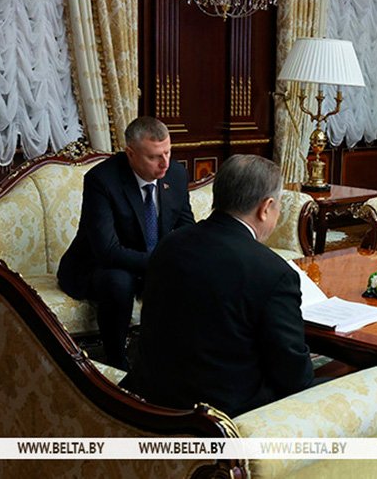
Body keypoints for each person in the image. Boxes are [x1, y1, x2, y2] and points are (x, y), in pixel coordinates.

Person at [121, 155, 315, 418]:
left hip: (152, 398)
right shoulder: (273, 272)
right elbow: (294, 377)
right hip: (221, 416)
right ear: (266, 207)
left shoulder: (169, 245)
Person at [58, 117, 194, 369]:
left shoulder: (175, 174)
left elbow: (186, 229)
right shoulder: (102, 180)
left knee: (190, 274)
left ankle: (172, 361)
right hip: (99, 266)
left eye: (168, 152)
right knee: (119, 281)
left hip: (148, 264)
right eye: (154, 157)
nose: (165, 162)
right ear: (130, 153)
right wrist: (162, 263)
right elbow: (107, 251)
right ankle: (116, 364)